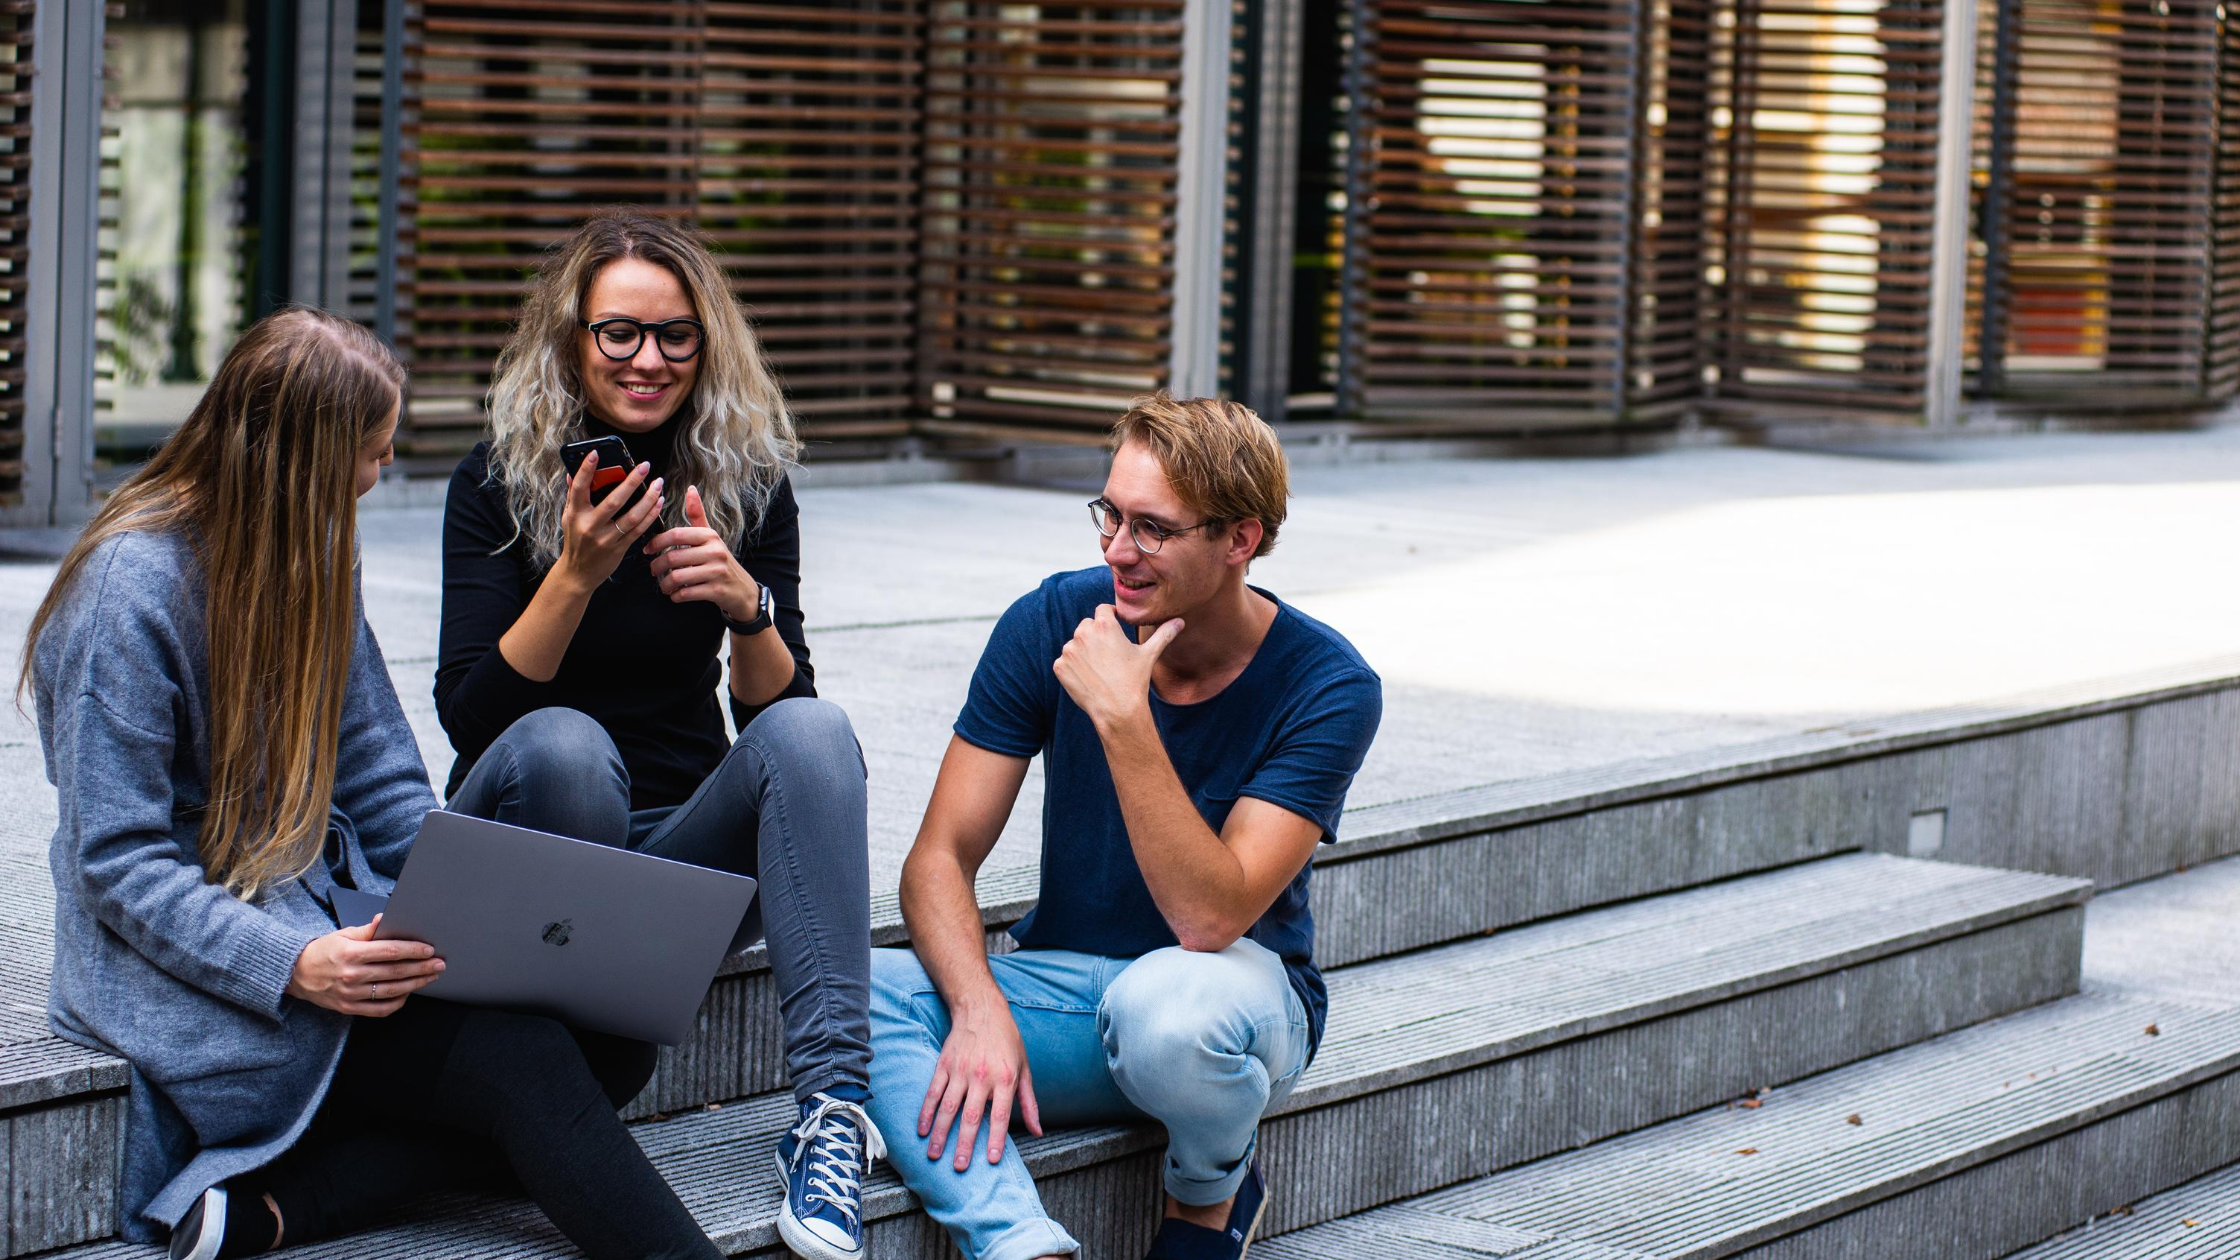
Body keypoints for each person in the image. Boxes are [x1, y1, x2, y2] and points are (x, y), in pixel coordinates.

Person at [26, 308, 727, 1260]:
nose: (384, 468)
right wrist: (291, 964)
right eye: (373, 450)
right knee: (523, 1064)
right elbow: (117, 864)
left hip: (331, 917)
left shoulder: (312, 551)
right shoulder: (129, 589)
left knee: (612, 1047)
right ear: (305, 460)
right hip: (195, 961)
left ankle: (283, 1210)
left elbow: (384, 778)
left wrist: (461, 912)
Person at [434, 209, 878, 1260]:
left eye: (675, 334)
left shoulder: (743, 481)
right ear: (571, 338)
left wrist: (744, 608)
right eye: (617, 332)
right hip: (533, 838)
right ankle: (552, 1072)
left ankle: (830, 1117)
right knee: (567, 747)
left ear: (706, 341)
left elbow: (780, 723)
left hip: (674, 860)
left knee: (818, 733)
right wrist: (575, 575)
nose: (647, 360)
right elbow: (471, 717)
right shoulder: (497, 481)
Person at [864, 394, 1383, 1260]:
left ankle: (1206, 1200)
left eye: (1151, 528)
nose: (1115, 550)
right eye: (1109, 514)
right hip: (1070, 989)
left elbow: (1209, 920)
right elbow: (938, 859)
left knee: (1168, 1009)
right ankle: (1022, 1242)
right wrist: (979, 1004)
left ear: (1239, 540)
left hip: (1231, 1004)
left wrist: (1125, 720)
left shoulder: (1327, 684)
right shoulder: (1052, 619)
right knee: (854, 990)